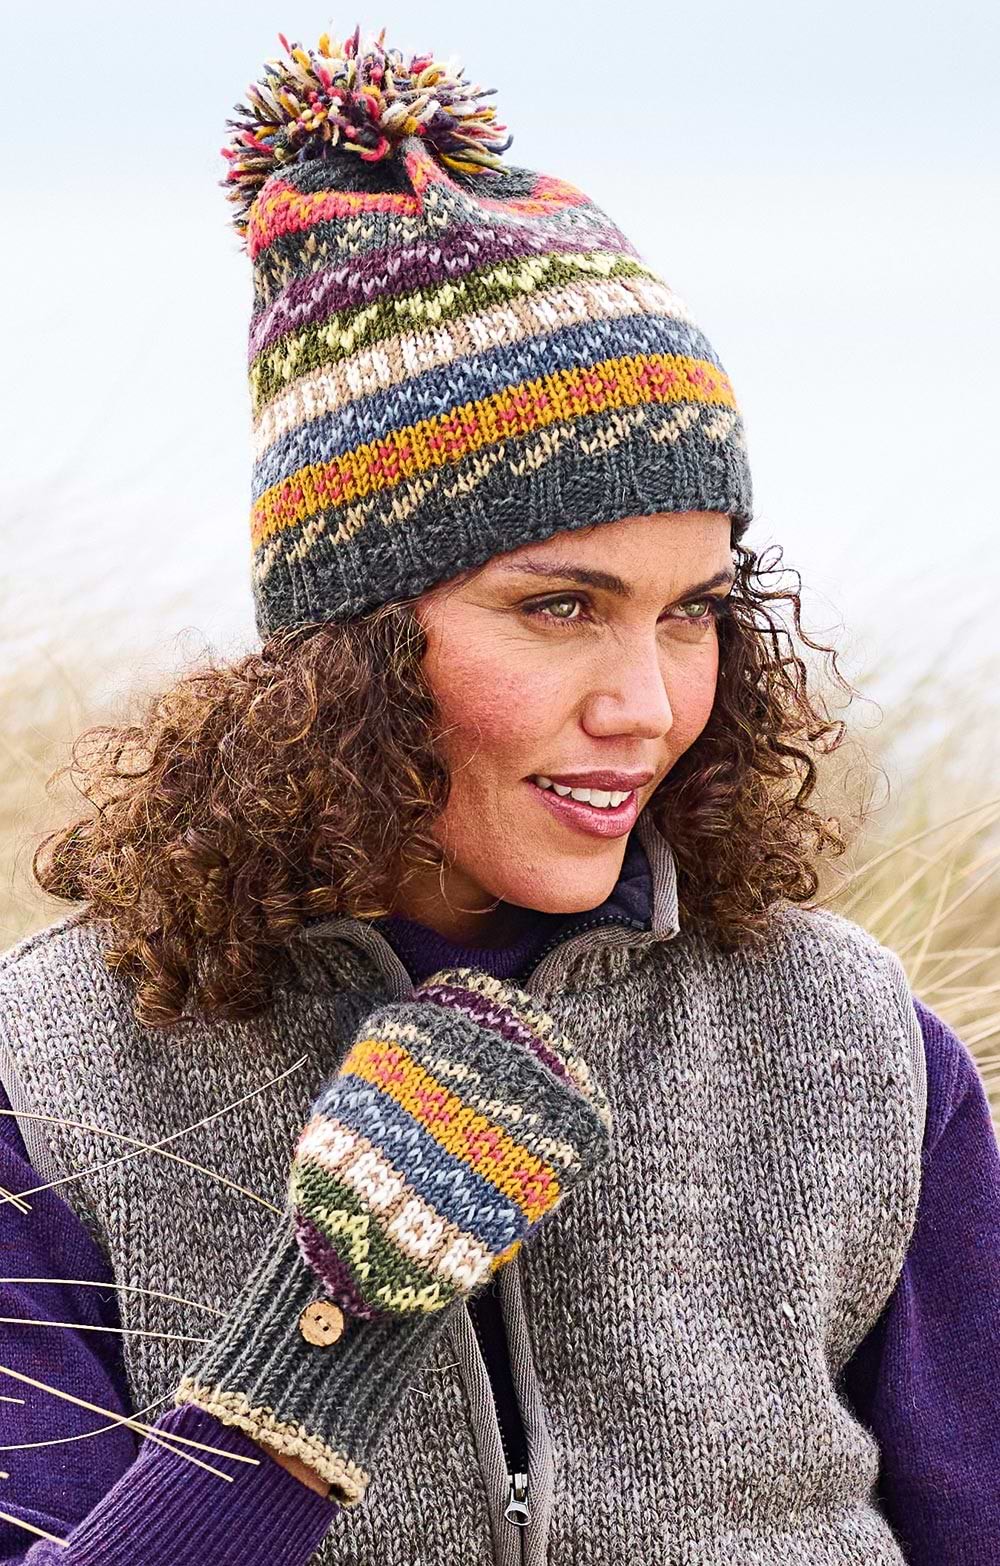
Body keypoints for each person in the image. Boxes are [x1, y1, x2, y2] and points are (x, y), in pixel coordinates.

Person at [0, 22, 997, 1566]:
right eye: (560, 606)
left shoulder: (853, 1046)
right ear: (346, 646)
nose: (646, 704)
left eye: (691, 612)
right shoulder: (58, 1070)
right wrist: (328, 1329)